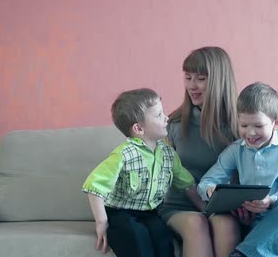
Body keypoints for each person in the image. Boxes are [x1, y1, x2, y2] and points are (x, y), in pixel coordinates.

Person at [198, 82, 278, 257]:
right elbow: (206, 182)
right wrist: (210, 190)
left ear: (276, 123)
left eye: (258, 126)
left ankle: (245, 254)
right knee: (260, 227)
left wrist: (270, 201)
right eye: (244, 126)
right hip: (254, 221)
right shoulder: (236, 150)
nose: (250, 133)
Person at [82, 88, 197, 257]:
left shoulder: (168, 154)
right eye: (159, 115)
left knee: (163, 239)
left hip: (149, 213)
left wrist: (207, 209)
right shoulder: (123, 155)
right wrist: (101, 221)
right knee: (136, 236)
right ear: (139, 128)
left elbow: (187, 184)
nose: (166, 118)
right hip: (119, 212)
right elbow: (94, 187)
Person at [158, 46, 241, 257]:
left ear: (219, 81)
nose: (192, 86)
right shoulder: (174, 124)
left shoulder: (241, 126)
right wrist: (203, 206)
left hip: (221, 209)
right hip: (179, 207)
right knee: (197, 222)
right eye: (188, 77)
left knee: (226, 224)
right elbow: (173, 174)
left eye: (201, 78)